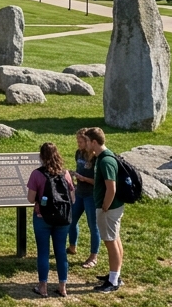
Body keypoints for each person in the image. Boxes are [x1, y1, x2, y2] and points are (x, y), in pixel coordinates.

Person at [27, 142, 75, 297]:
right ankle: (62, 287)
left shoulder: (37, 174)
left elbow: (30, 198)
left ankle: (43, 287)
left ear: (42, 156)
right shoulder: (65, 174)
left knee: (43, 252)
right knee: (61, 251)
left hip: (42, 217)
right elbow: (72, 198)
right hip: (62, 218)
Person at [83, 127, 125, 292]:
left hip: (108, 208)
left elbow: (111, 188)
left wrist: (105, 207)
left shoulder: (106, 160)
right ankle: (115, 275)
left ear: (94, 142)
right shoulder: (102, 157)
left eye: (86, 141)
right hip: (110, 207)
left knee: (110, 242)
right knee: (115, 240)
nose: (85, 144)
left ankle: (113, 281)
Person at [69, 129, 100, 269]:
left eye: (81, 141)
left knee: (93, 226)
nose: (79, 144)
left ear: (88, 141)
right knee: (71, 219)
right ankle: (72, 247)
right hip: (79, 193)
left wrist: (84, 179)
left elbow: (99, 181)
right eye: (78, 141)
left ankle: (94, 256)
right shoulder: (78, 153)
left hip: (91, 195)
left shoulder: (96, 158)